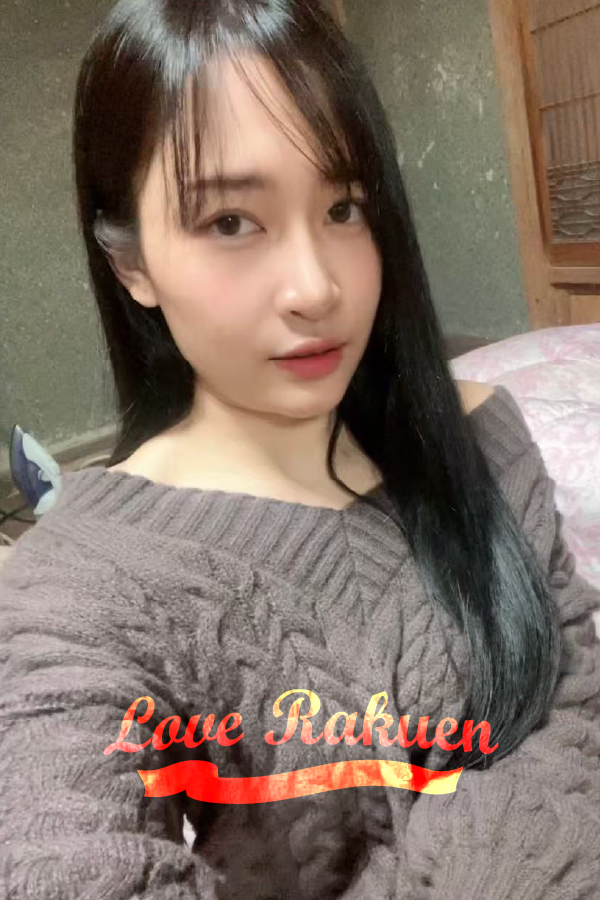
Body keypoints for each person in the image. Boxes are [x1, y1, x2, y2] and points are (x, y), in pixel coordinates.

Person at [1, 0, 599, 898]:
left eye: (344, 207)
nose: (316, 287)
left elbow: (576, 706)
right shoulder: (78, 587)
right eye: (229, 222)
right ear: (132, 263)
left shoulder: (479, 437)